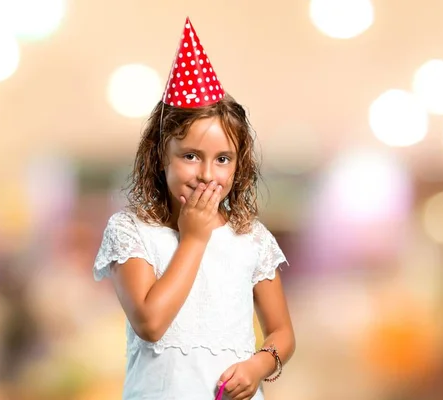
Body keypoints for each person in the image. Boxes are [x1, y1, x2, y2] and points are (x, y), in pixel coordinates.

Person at [93, 17, 295, 400]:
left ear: (240, 165)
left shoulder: (250, 239)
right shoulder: (130, 231)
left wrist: (258, 364)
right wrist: (194, 238)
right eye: (190, 155)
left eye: (223, 159)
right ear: (160, 155)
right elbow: (150, 323)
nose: (207, 174)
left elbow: (282, 332)